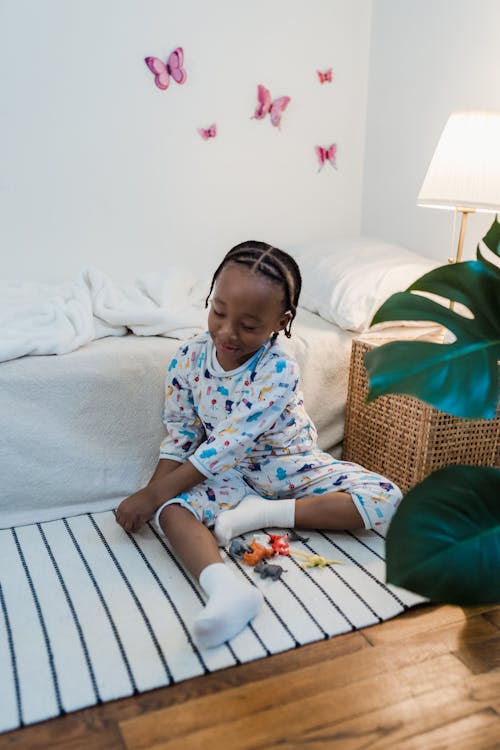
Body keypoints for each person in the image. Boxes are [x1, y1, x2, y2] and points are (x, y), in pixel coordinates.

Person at [115, 241, 402, 649]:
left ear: (280, 321)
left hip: (289, 464)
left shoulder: (278, 367)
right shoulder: (187, 358)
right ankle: (226, 591)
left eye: (249, 326)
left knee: (386, 497)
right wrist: (153, 498)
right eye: (219, 312)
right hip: (227, 474)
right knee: (173, 511)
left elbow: (228, 442)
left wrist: (152, 494)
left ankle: (262, 514)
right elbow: (181, 434)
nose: (227, 332)